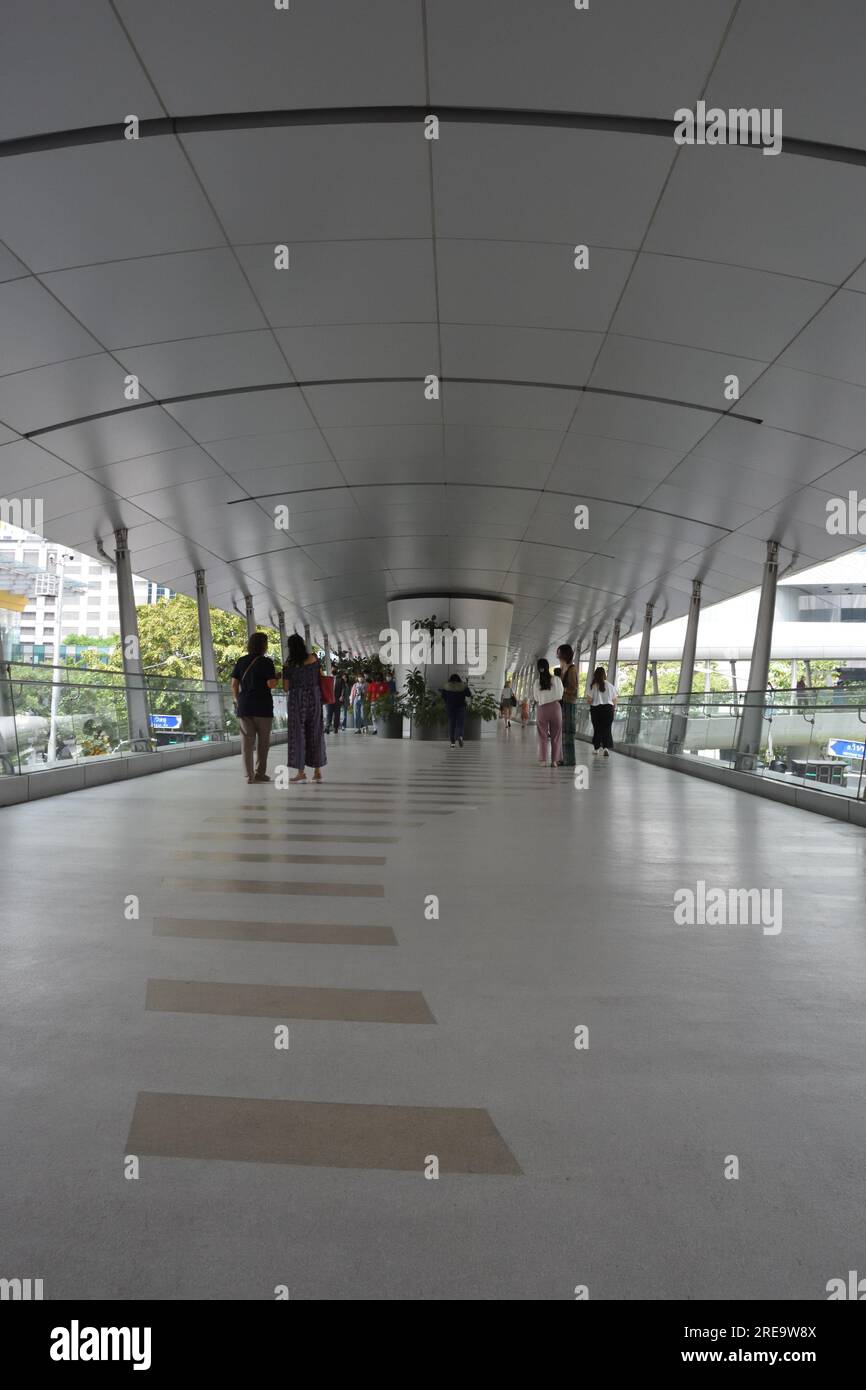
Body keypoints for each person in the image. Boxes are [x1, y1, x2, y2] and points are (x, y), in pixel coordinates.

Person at [231, 631, 279, 784]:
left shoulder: (241, 661)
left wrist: (237, 700)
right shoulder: (267, 662)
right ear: (263, 645)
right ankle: (260, 773)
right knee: (263, 744)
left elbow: (234, 684)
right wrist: (277, 677)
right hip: (263, 707)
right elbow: (270, 684)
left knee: (246, 743)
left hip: (245, 707)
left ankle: (249, 776)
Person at [282, 633, 326, 782]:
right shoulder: (313, 658)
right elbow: (321, 676)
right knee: (315, 732)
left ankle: (301, 772)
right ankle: (317, 771)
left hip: (297, 700)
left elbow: (286, 688)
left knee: (298, 735)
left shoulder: (289, 664)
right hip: (314, 697)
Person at [533, 658, 563, 766]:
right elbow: (560, 695)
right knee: (556, 736)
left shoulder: (537, 682)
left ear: (538, 669)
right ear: (548, 666)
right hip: (555, 708)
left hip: (542, 709)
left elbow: (536, 698)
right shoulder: (556, 680)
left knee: (542, 736)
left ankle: (543, 761)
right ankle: (555, 761)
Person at [556, 643, 579, 767]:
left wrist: (561, 689)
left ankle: (570, 760)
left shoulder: (571, 669)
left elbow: (573, 688)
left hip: (569, 704)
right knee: (564, 732)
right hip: (564, 703)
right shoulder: (564, 668)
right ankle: (566, 758)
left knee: (568, 732)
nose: (557, 655)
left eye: (559, 653)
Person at [587, 664, 618, 757]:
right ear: (604, 674)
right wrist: (614, 709)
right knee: (606, 729)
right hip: (608, 709)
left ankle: (596, 749)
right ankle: (605, 748)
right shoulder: (611, 686)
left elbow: (589, 700)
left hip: (596, 709)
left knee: (597, 729)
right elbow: (615, 700)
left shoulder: (594, 686)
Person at [440, 673, 472, 748]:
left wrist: (447, 702)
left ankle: (452, 742)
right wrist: (466, 687)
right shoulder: (462, 686)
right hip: (461, 707)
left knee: (452, 724)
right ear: (459, 679)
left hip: (450, 707)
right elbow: (469, 694)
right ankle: (460, 736)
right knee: (460, 724)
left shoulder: (446, 686)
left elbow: (443, 696)